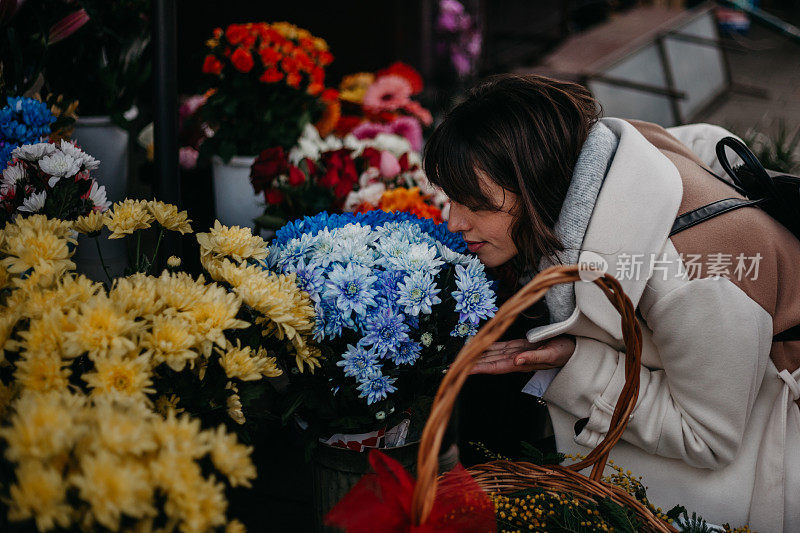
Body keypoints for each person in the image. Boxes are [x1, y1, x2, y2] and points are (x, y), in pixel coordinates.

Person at [423, 74, 800, 531]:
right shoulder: (604, 162)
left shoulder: (693, 277)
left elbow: (709, 438)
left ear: (536, 184)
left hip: (760, 452)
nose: (453, 221)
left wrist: (576, 365)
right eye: (450, 197)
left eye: (476, 203)